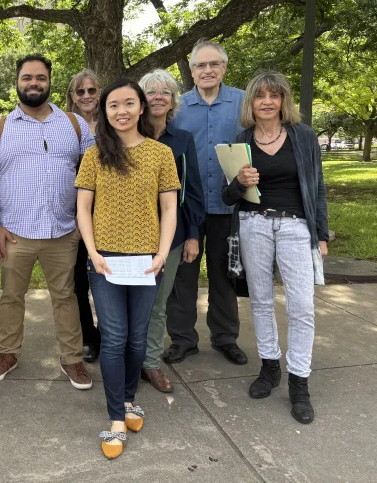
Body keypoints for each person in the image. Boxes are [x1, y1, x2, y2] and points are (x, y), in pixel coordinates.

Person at [0, 53, 94, 389]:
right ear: (17, 81)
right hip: (15, 232)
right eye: (27, 77)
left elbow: (92, 175)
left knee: (66, 296)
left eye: (40, 78)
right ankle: (8, 353)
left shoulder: (75, 124)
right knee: (12, 296)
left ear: (49, 82)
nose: (33, 83)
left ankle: (72, 359)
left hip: (64, 230)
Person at [75, 79, 179, 459]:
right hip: (105, 261)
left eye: (128, 103)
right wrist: (92, 252)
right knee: (115, 337)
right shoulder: (95, 154)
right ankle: (116, 416)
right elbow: (83, 208)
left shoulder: (159, 154)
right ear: (104, 111)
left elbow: (169, 209)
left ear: (140, 107)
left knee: (138, 338)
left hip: (147, 261)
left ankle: (131, 398)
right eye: (113, 105)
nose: (121, 111)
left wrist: (162, 253)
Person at [222, 71, 328, 424]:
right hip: (254, 225)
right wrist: (239, 182)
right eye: (260, 95)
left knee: (302, 305)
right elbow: (228, 198)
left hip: (296, 227)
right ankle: (270, 368)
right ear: (250, 102)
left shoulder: (303, 136)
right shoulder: (241, 140)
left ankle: (300, 381)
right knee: (262, 302)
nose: (267, 101)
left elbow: (318, 187)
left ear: (284, 101)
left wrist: (321, 235)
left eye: (275, 95)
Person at [167, 39, 248, 366]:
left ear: (224, 67)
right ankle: (183, 339)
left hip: (229, 206)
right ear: (191, 70)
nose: (208, 70)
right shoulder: (177, 107)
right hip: (187, 207)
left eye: (214, 64)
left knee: (224, 274)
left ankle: (225, 338)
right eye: (201, 65)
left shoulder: (244, 102)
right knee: (181, 278)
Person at [139, 70, 205, 393]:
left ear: (173, 101)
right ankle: (127, 360)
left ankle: (151, 363)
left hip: (173, 235)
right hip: (129, 235)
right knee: (129, 303)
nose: (158, 98)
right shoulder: (125, 136)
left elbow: (192, 191)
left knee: (157, 304)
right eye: (151, 92)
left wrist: (192, 233)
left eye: (165, 92)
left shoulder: (183, 140)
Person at [66, 69, 103, 362]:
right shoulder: (65, 125)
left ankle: (110, 334)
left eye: (91, 90)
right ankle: (88, 337)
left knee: (108, 277)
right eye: (80, 92)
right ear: (72, 97)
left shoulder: (114, 123)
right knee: (78, 279)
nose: (86, 96)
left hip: (109, 213)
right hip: (74, 212)